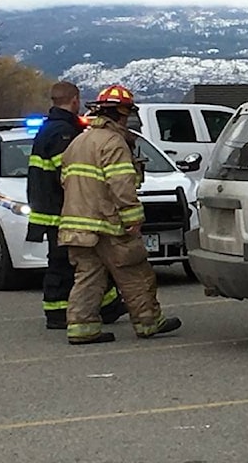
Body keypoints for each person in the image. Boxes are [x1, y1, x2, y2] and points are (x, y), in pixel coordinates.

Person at [58, 84, 181, 345]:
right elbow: (122, 185)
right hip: (108, 223)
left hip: (77, 224)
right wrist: (132, 218)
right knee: (135, 271)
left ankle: (81, 327)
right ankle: (148, 322)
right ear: (121, 115)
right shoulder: (113, 143)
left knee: (88, 275)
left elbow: (66, 181)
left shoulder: (79, 141)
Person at [26, 81, 126, 330]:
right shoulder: (62, 132)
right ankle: (59, 312)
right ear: (74, 101)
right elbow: (71, 175)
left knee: (85, 262)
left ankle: (106, 306)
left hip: (53, 209)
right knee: (64, 263)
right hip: (60, 211)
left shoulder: (50, 129)